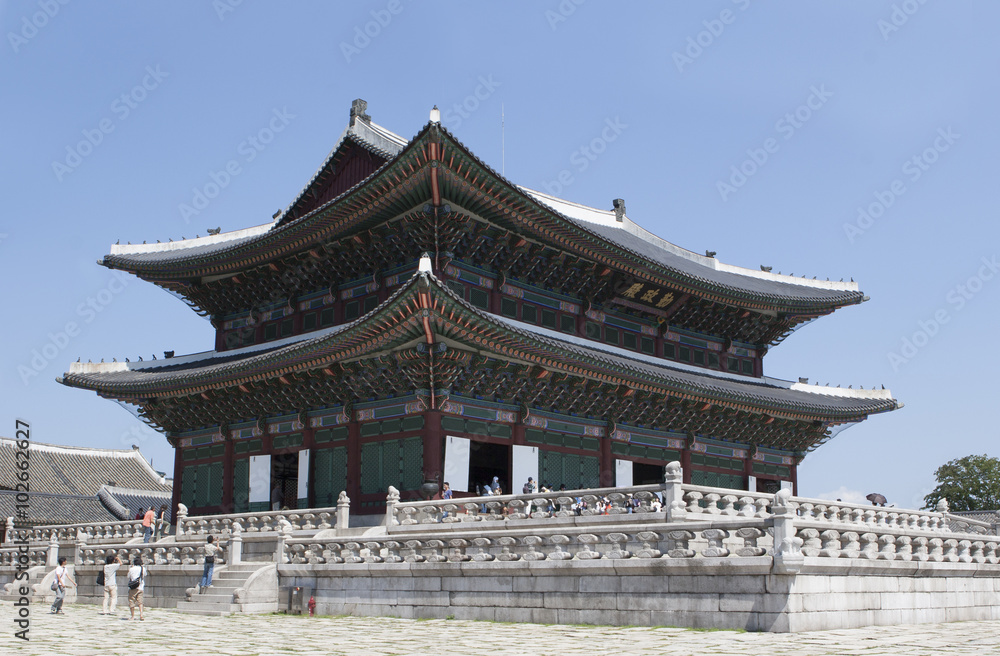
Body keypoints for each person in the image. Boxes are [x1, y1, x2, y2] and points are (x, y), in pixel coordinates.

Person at [127, 556, 146, 621]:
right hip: (140, 587)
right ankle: (141, 615)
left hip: (133, 587)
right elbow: (144, 575)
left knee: (132, 601)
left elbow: (128, 576)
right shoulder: (143, 568)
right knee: (140, 602)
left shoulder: (131, 569)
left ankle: (132, 616)